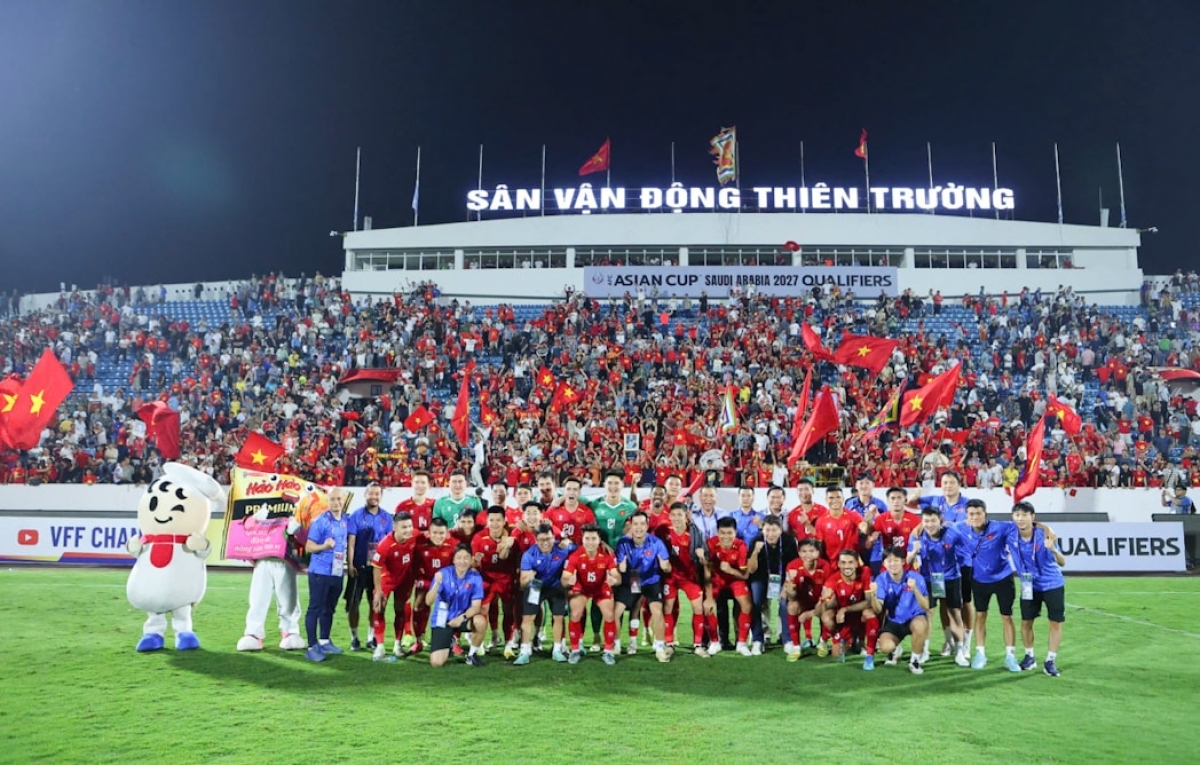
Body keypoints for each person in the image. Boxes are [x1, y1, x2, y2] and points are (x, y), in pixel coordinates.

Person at [911, 470, 974, 656]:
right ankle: (950, 641)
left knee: (964, 603)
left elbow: (971, 527)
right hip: (938, 566)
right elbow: (912, 504)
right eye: (944, 482)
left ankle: (966, 641)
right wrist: (916, 496)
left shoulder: (967, 504)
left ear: (959, 484)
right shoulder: (935, 501)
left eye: (951, 482)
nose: (947, 486)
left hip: (962, 561)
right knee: (944, 604)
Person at [962, 498, 1021, 672]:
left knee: (1007, 616)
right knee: (980, 616)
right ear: (967, 516)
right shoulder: (961, 529)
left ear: (985, 514)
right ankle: (980, 654)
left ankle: (1010, 656)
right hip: (979, 580)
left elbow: (1024, 524)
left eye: (978, 513)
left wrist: (1047, 529)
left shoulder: (1000, 527)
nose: (975, 517)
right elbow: (937, 526)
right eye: (971, 514)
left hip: (1003, 578)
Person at [907, 506, 970, 666]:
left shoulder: (952, 533)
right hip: (928, 579)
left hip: (951, 578)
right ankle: (925, 651)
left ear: (940, 521)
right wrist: (914, 552)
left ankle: (960, 651)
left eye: (933, 521)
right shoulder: (916, 536)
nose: (929, 524)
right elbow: (907, 561)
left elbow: (965, 552)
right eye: (926, 521)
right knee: (927, 613)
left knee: (954, 613)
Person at [1011, 501, 1066, 676]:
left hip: (1052, 584)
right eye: (1017, 515)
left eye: (1024, 515)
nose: (1020, 519)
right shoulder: (1010, 534)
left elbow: (1062, 562)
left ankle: (1050, 660)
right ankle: (1029, 657)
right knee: (1026, 621)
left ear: (1032, 517)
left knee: (1055, 623)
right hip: (1029, 585)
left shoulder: (1045, 536)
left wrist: (1053, 550)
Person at [614, 512, 673, 662]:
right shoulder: (623, 543)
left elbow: (667, 567)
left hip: (652, 579)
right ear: (631, 526)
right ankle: (616, 645)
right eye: (636, 524)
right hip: (634, 578)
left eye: (642, 524)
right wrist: (621, 566)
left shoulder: (656, 543)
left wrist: (665, 566)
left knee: (657, 611)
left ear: (647, 526)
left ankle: (659, 647)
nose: (639, 528)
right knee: (617, 611)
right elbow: (620, 567)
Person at [514, 523, 573, 665]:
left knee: (558, 616)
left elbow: (578, 547)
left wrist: (568, 541)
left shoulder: (562, 549)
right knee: (528, 617)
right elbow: (522, 583)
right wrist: (529, 578)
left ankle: (557, 650)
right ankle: (524, 650)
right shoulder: (529, 555)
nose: (545, 543)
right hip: (536, 585)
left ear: (554, 538)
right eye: (541, 540)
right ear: (536, 540)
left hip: (555, 585)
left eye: (548, 539)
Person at [562, 525, 621, 665]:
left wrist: (614, 580)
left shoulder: (607, 555)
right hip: (581, 587)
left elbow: (617, 577)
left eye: (593, 538)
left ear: (599, 540)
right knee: (575, 614)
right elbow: (564, 579)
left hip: (601, 587)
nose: (590, 542)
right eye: (587, 538)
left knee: (609, 615)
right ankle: (575, 650)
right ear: (582, 539)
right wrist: (568, 581)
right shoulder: (575, 556)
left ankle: (607, 651)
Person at [868, 546, 931, 674]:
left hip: (914, 617)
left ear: (903, 562)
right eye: (889, 561)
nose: (893, 564)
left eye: (896, 560)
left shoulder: (916, 578)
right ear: (884, 563)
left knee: (920, 625)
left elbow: (926, 606)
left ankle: (915, 661)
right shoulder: (881, 579)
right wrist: (873, 595)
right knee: (885, 647)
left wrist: (915, 590)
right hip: (894, 621)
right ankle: (895, 651)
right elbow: (878, 608)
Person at [345, 482, 393, 651]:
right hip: (359, 566)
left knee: (376, 603)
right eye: (371, 493)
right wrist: (350, 564)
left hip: (378, 569)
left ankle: (371, 637)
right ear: (365, 495)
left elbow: (390, 544)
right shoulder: (356, 516)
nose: (374, 497)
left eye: (377, 494)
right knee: (353, 604)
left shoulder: (387, 517)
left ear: (381, 496)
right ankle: (354, 637)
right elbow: (351, 543)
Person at [658, 501, 709, 656]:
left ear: (686, 516)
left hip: (690, 578)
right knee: (667, 607)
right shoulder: (663, 531)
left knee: (698, 607)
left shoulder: (694, 533)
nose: (676, 518)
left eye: (679, 514)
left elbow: (705, 558)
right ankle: (669, 643)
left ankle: (698, 645)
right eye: (673, 515)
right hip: (670, 577)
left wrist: (702, 558)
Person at [303, 492, 349, 662]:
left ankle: (324, 640)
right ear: (327, 501)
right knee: (315, 608)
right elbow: (308, 547)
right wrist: (324, 545)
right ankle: (311, 646)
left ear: (343, 501)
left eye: (339, 499)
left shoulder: (345, 520)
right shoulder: (320, 521)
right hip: (319, 572)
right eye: (332, 499)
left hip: (336, 572)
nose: (336, 502)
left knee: (329, 608)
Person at [426, 544, 487, 668]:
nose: (462, 561)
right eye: (459, 557)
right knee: (436, 663)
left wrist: (461, 618)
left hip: (463, 618)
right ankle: (450, 640)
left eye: (466, 558)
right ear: (453, 559)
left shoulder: (476, 578)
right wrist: (436, 584)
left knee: (480, 622)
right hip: (443, 620)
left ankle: (471, 655)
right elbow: (428, 602)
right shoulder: (443, 574)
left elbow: (476, 607)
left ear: (471, 560)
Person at [368, 511, 418, 661]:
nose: (408, 530)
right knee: (379, 608)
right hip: (386, 580)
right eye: (404, 527)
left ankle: (397, 645)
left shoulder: (414, 536)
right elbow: (376, 567)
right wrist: (378, 591)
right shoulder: (385, 545)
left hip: (404, 579)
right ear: (394, 527)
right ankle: (380, 646)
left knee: (400, 609)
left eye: (409, 526)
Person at [703, 517, 755, 656]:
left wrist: (730, 570)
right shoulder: (710, 544)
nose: (726, 537)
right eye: (722, 533)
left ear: (735, 532)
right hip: (716, 580)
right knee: (707, 606)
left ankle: (741, 643)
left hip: (735, 579)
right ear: (717, 532)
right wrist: (708, 597)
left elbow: (745, 576)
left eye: (729, 533)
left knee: (746, 605)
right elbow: (707, 571)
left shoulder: (741, 546)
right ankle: (714, 642)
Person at [471, 506, 519, 655]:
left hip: (506, 578)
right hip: (487, 578)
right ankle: (482, 642)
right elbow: (476, 559)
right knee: (483, 608)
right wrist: (476, 561)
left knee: (508, 610)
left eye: (498, 520)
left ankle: (509, 643)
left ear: (504, 521)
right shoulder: (479, 537)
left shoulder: (512, 537)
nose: (495, 523)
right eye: (492, 520)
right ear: (487, 521)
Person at [746, 515, 797, 655]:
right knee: (755, 603)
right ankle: (758, 640)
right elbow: (750, 569)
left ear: (780, 530)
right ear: (763, 530)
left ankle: (787, 640)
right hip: (760, 577)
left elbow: (794, 567)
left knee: (784, 603)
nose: (770, 534)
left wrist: (786, 586)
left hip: (782, 578)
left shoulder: (789, 541)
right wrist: (756, 551)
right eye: (767, 530)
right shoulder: (756, 541)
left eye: (774, 530)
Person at [818, 549, 877, 663]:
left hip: (859, 614)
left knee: (871, 611)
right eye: (843, 562)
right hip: (843, 620)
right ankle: (826, 637)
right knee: (837, 654)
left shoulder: (865, 572)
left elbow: (869, 601)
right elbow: (821, 609)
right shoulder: (832, 580)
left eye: (850, 562)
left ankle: (863, 642)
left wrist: (845, 609)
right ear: (839, 564)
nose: (847, 566)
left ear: (856, 563)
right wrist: (825, 600)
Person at [408, 517, 456, 654]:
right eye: (435, 532)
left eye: (441, 533)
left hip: (445, 582)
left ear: (447, 533)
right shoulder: (420, 544)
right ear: (429, 532)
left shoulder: (453, 545)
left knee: (445, 610)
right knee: (418, 606)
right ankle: (418, 640)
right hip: (426, 580)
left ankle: (448, 640)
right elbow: (414, 565)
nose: (438, 536)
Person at [783, 537, 830, 659]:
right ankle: (796, 647)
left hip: (820, 601)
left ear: (818, 553)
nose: (807, 554)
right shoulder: (792, 566)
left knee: (829, 612)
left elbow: (828, 594)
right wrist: (791, 583)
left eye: (811, 550)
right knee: (792, 606)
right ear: (799, 553)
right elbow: (791, 596)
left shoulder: (825, 566)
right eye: (804, 551)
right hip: (802, 601)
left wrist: (810, 613)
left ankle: (823, 642)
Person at [870, 487, 921, 578]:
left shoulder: (914, 519)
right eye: (893, 498)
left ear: (905, 500)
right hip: (890, 564)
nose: (896, 501)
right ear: (888, 501)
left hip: (909, 563)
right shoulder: (880, 520)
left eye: (899, 498)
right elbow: (870, 541)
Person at [545, 476, 596, 547]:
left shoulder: (586, 512)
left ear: (579, 492)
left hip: (578, 550)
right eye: (568, 489)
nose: (571, 492)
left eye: (575, 489)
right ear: (563, 491)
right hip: (556, 549)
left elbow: (592, 535)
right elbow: (545, 527)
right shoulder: (553, 509)